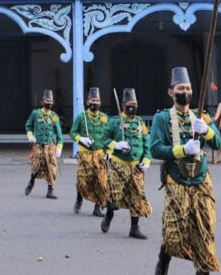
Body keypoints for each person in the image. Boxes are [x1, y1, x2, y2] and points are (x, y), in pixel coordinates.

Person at [149, 67, 221, 275]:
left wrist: (208, 130)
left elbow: (219, 143)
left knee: (205, 231)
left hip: (201, 182)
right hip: (177, 181)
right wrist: (181, 150)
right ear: (171, 92)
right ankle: (163, 264)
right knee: (174, 232)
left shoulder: (201, 117)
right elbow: (156, 149)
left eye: (188, 88)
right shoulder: (161, 119)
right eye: (181, 88)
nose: (185, 92)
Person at [101, 88, 152, 239]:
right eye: (129, 104)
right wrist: (115, 145)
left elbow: (146, 143)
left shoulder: (140, 123)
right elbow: (103, 140)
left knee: (136, 196)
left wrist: (147, 160)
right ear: (123, 105)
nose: (132, 106)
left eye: (135, 104)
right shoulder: (114, 121)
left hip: (136, 166)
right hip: (118, 165)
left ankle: (134, 228)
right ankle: (109, 214)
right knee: (115, 195)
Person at [69, 87, 108, 216]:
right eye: (92, 100)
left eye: (97, 100)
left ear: (100, 102)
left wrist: (109, 151)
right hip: (85, 153)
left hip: (100, 154)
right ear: (87, 102)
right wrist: (82, 139)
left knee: (101, 181)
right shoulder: (81, 117)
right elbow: (72, 133)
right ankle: (79, 200)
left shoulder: (104, 118)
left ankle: (98, 206)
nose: (94, 102)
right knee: (82, 180)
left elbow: (109, 136)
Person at [24, 89, 63, 199]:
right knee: (36, 166)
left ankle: (50, 190)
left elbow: (59, 134)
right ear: (42, 102)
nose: (49, 102)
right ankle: (31, 181)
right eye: (47, 100)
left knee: (52, 167)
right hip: (38, 145)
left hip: (50, 146)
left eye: (51, 100)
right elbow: (28, 125)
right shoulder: (36, 114)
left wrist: (59, 148)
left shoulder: (54, 116)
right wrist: (30, 135)